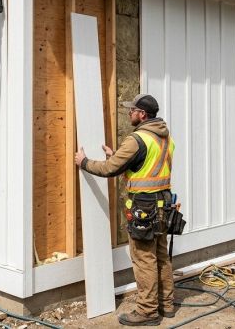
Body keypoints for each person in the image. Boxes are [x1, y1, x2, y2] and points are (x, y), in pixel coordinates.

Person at [74, 93, 176, 326]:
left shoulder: (137, 139)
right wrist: (118, 157)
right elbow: (146, 167)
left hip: (145, 206)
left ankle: (148, 312)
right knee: (161, 255)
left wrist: (84, 162)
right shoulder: (165, 138)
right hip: (163, 203)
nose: (129, 113)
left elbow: (109, 169)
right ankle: (166, 304)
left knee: (144, 258)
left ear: (142, 114)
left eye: (132, 110)